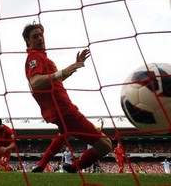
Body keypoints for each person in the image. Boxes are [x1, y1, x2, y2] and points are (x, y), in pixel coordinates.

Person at [23, 22, 112, 173]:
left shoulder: (43, 58)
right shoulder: (35, 57)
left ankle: (40, 165)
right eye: (35, 36)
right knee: (105, 145)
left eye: (41, 35)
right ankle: (73, 168)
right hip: (64, 109)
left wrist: (74, 66)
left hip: (58, 110)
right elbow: (36, 82)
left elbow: (53, 82)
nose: (40, 38)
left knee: (64, 133)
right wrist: (62, 71)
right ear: (28, 41)